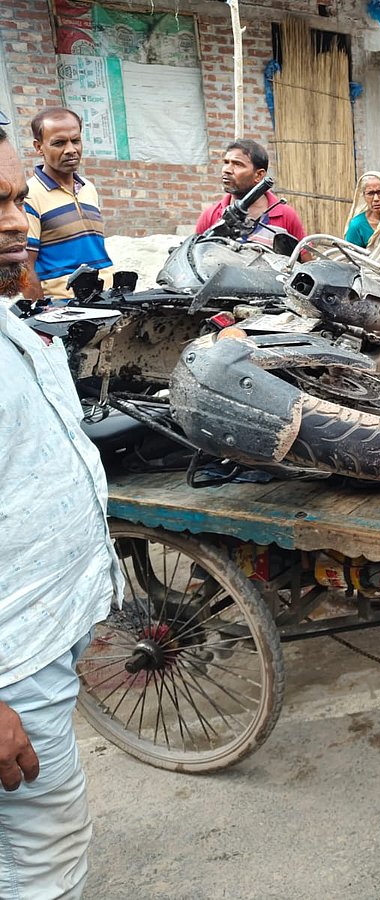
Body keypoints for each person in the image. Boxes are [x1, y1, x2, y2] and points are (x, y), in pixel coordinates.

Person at [0, 118, 124, 899]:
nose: (18, 221)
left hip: (40, 638)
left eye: (15, 199)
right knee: (43, 861)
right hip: (12, 667)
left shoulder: (13, 314)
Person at [22, 107, 112, 303]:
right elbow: (25, 267)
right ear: (39, 147)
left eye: (76, 140)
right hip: (64, 308)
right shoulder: (29, 196)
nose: (71, 149)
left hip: (106, 300)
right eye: (59, 143)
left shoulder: (89, 188)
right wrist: (41, 313)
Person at [195, 139, 306, 242]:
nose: (227, 170)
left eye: (237, 164)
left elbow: (304, 260)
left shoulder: (286, 215)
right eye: (226, 162)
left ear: (259, 175)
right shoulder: (211, 215)